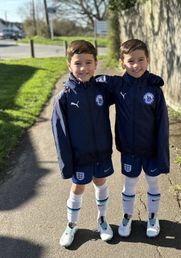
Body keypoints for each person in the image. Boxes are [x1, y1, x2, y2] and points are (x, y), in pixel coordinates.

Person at [96, 39, 169, 238]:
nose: (136, 65)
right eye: (130, 61)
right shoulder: (117, 85)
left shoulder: (154, 88)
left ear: (148, 60)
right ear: (122, 62)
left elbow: (163, 123)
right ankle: (127, 215)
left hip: (151, 149)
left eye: (141, 59)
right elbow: (94, 85)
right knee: (129, 183)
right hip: (129, 149)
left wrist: (161, 151)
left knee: (153, 182)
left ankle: (153, 217)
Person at [51, 40, 114, 247]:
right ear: (69, 65)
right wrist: (66, 164)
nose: (83, 68)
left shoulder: (102, 90)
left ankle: (102, 219)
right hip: (80, 157)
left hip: (101, 153)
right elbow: (60, 134)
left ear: (96, 64)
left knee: (100, 183)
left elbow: (127, 89)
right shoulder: (64, 97)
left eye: (88, 63)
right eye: (78, 63)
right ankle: (71, 224)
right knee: (78, 187)